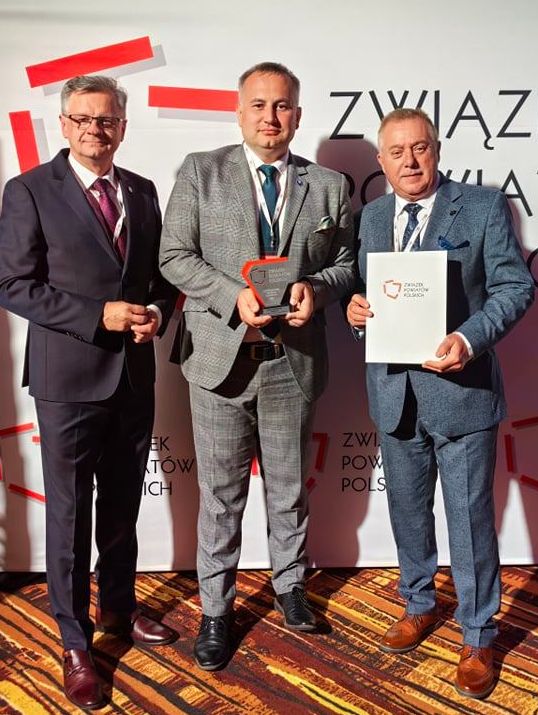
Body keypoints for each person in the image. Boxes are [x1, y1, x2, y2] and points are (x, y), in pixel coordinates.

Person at [160, 61, 355, 671]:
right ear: (239, 111)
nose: (271, 117)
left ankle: (290, 585)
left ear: (297, 114)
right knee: (220, 498)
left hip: (291, 364)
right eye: (259, 105)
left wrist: (316, 291)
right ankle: (216, 611)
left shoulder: (329, 185)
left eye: (283, 105)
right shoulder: (201, 170)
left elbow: (346, 262)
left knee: (289, 488)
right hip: (221, 362)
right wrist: (230, 296)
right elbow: (174, 255)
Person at [0, 75, 178, 709]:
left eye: (105, 120)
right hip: (67, 380)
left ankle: (119, 610)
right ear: (64, 124)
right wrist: (97, 315)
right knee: (70, 515)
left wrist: (158, 313)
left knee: (123, 505)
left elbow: (159, 279)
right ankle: (74, 642)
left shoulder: (143, 190)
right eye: (82, 119)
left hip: (133, 374)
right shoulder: (28, 190)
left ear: (122, 127)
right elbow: (13, 284)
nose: (93, 130)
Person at [347, 108, 534, 699]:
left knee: (471, 522)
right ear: (380, 161)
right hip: (393, 395)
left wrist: (469, 339)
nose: (409, 161)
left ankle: (478, 635)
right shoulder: (373, 217)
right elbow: (368, 297)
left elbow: (514, 287)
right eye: (396, 151)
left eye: (420, 147)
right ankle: (419, 603)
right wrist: (357, 313)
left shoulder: (481, 207)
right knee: (407, 512)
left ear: (436, 150)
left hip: (463, 395)